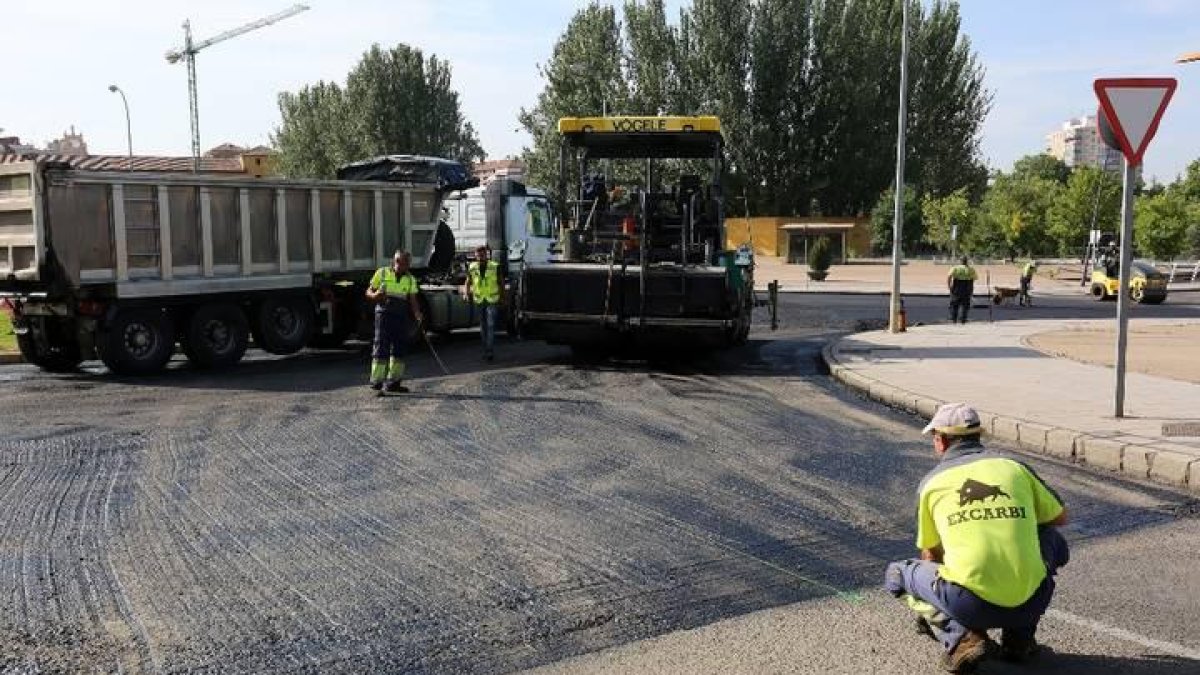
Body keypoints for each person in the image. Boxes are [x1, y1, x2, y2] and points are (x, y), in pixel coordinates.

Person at [883, 403, 1069, 673]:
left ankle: (961, 637)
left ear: (941, 440)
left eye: (935, 437)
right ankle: (1019, 638)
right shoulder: (1015, 468)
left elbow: (931, 554)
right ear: (977, 436)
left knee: (896, 575)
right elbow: (1060, 517)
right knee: (1051, 539)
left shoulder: (932, 483)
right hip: (1033, 600)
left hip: (969, 605)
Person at [365, 250, 424, 393]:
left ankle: (394, 382)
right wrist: (375, 295)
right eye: (398, 261)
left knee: (399, 348)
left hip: (400, 317)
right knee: (381, 346)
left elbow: (413, 300)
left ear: (408, 265)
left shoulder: (410, 279)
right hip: (383, 316)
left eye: (404, 263)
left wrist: (417, 314)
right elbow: (368, 292)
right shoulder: (382, 273)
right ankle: (377, 382)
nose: (400, 265)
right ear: (393, 261)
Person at [465, 245, 502, 361]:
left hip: (492, 299)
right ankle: (486, 348)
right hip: (479, 299)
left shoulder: (495, 266)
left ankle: (489, 350)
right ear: (475, 255)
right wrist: (466, 294)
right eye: (478, 255)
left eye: (482, 254)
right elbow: (468, 282)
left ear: (486, 254)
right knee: (483, 326)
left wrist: (503, 297)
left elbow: (500, 282)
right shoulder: (472, 267)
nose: (480, 256)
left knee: (490, 325)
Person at [947, 257, 977, 324]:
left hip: (957, 287)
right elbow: (973, 280)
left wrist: (949, 286)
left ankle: (954, 319)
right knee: (965, 306)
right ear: (967, 261)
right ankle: (963, 320)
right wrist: (971, 291)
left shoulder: (955, 268)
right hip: (967, 288)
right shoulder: (971, 269)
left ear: (960, 261)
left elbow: (949, 276)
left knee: (954, 305)